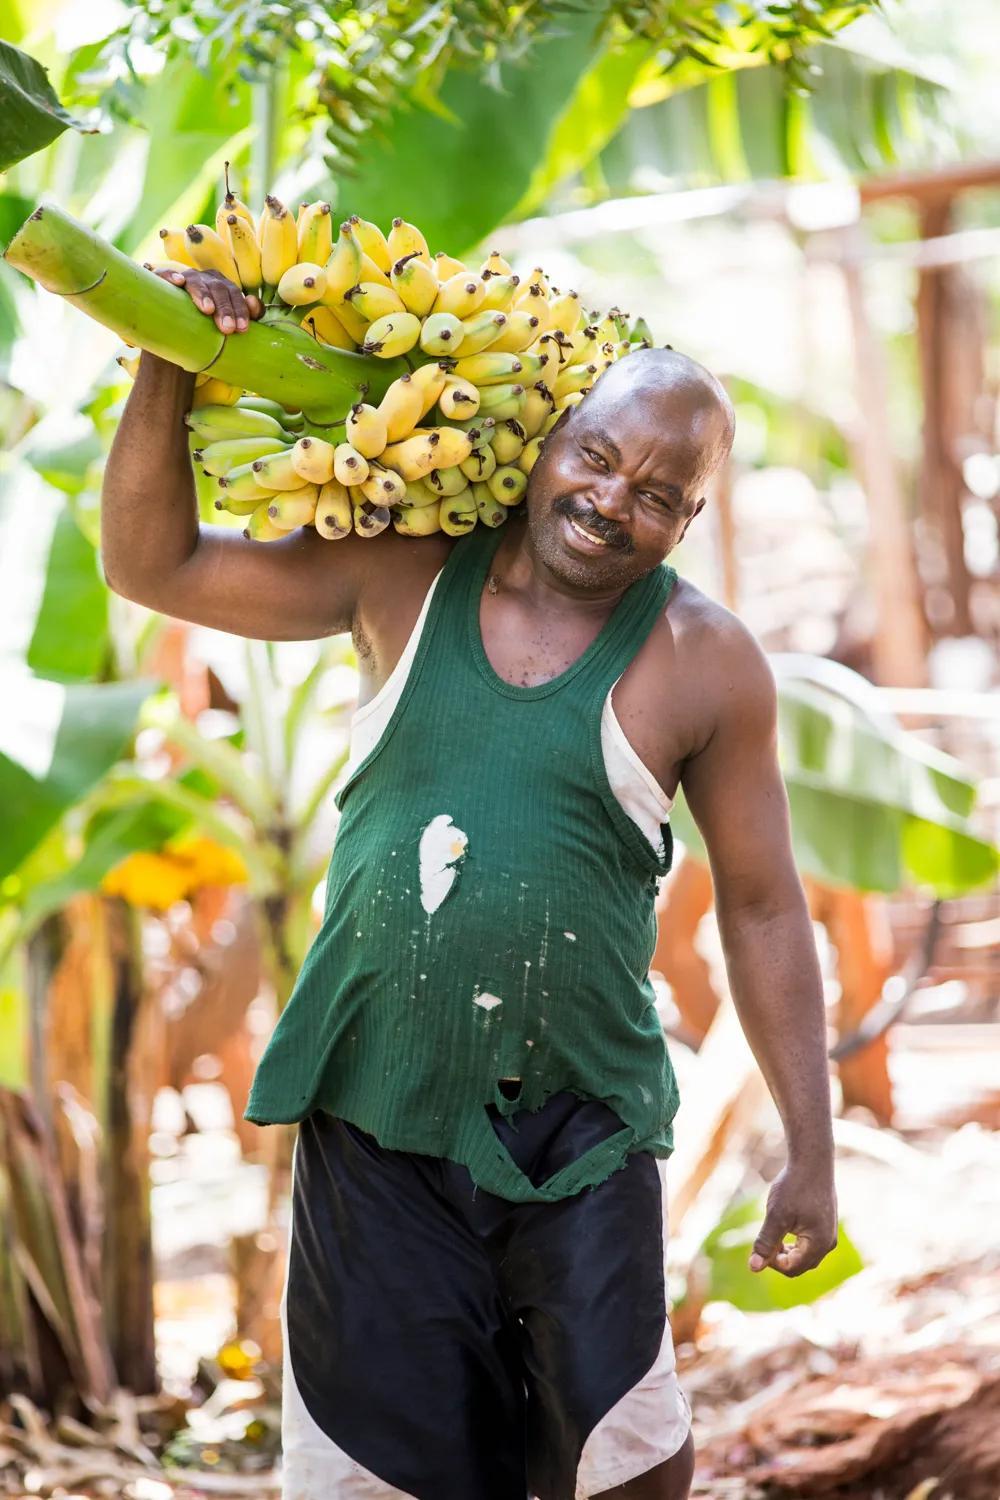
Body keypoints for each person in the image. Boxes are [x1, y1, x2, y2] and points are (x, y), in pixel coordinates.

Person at [102, 266, 838, 1500]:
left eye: (659, 495)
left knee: (624, 1466)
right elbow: (152, 565)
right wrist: (167, 362)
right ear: (546, 441)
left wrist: (809, 1148)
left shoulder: (703, 660)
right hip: (377, 1120)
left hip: (583, 1130)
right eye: (595, 459)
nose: (611, 503)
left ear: (690, 518)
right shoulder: (401, 573)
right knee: (381, 1473)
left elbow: (762, 907)